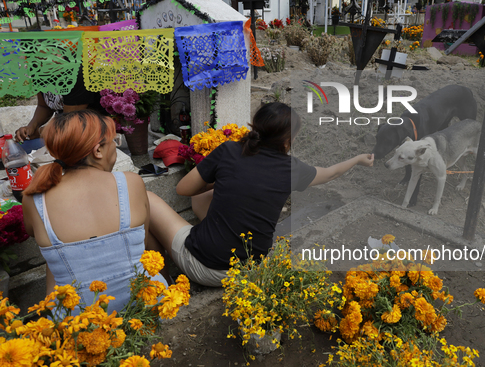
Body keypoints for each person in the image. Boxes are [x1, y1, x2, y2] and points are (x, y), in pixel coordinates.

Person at [147, 102, 374, 287]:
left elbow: (183, 189)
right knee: (210, 196)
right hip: (251, 267)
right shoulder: (291, 168)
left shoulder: (230, 150)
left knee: (147, 198)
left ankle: (164, 281)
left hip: (205, 267)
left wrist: (222, 177)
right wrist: (357, 159)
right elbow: (330, 174)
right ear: (287, 140)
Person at [22, 111, 166, 314]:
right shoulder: (131, 183)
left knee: (55, 255)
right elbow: (141, 249)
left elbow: (35, 235)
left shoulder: (33, 199)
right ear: (98, 150)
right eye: (113, 141)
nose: (115, 146)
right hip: (145, 306)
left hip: (79, 322)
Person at [14, 68, 103, 152]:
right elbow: (44, 106)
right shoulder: (38, 70)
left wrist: (39, 132)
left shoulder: (77, 75)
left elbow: (68, 125)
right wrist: (30, 128)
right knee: (15, 151)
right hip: (61, 129)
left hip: (88, 132)